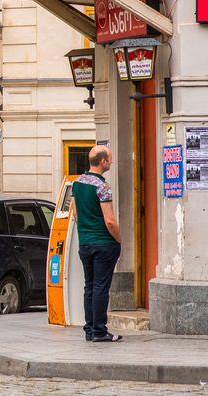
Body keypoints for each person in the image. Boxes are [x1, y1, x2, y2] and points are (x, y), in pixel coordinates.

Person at [72, 145, 122, 342]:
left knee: (90, 286)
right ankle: (100, 330)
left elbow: (75, 213)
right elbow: (109, 220)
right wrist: (118, 239)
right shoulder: (102, 186)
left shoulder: (77, 183)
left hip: (85, 243)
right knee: (101, 286)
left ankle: (90, 328)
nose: (111, 162)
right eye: (109, 159)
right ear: (102, 162)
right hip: (103, 242)